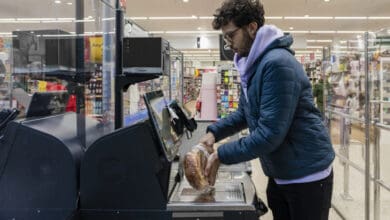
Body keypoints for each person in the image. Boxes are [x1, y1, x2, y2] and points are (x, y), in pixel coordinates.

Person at [199, 0, 335, 219]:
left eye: (231, 35)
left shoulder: (276, 64)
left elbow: (269, 134)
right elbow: (245, 112)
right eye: (225, 37)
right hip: (282, 170)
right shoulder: (253, 64)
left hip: (306, 175)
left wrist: (221, 155)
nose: (228, 43)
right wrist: (214, 132)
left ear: (252, 28)